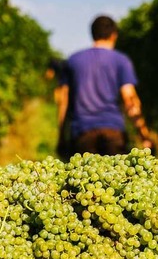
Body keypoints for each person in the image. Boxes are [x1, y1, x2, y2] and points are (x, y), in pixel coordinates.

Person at [56, 15, 152, 156]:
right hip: (113, 131)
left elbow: (63, 100)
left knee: (85, 177)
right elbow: (130, 99)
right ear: (114, 35)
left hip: (83, 132)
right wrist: (144, 135)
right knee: (116, 176)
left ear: (93, 34)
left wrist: (61, 136)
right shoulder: (121, 61)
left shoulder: (73, 60)